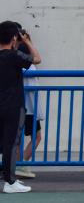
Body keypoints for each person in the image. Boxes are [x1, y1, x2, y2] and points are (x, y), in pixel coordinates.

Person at [0, 21, 40, 194]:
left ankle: (9, 179)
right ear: (14, 37)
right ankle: (10, 182)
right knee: (10, 144)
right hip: (13, 106)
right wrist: (27, 41)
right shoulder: (15, 56)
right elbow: (37, 59)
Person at [12, 26, 39, 183]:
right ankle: (20, 165)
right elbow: (37, 58)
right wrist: (27, 41)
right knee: (35, 137)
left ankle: (18, 165)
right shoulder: (26, 64)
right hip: (29, 107)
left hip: (23, 106)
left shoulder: (15, 62)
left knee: (18, 138)